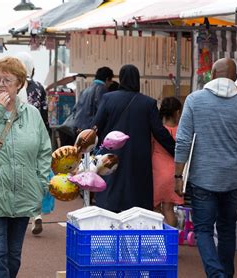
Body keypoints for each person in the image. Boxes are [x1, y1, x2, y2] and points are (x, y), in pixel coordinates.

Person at [0, 56, 51, 277]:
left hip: (23, 194)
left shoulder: (32, 114)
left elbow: (44, 150)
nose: (1, 84)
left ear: (20, 84)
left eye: (7, 80)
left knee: (14, 255)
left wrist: (41, 182)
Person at [174, 58, 237, 277]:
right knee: (227, 229)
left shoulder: (194, 100)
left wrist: (178, 175)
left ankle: (215, 273)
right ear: (235, 78)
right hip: (233, 180)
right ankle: (224, 274)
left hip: (202, 179)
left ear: (211, 75)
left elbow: (183, 141)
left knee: (204, 229)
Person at [92, 64, 175, 212]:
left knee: (111, 192)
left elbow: (95, 127)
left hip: (111, 156)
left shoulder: (108, 99)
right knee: (136, 195)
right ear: (137, 80)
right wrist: (176, 150)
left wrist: (91, 149)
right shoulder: (148, 103)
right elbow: (159, 131)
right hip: (138, 157)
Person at [15, 51, 49, 235]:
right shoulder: (38, 87)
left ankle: (19, 211)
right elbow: (44, 115)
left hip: (17, 137)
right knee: (36, 175)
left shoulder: (12, 85)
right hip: (36, 135)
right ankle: (37, 215)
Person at [152, 97, 183, 227]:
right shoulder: (181, 131)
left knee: (155, 209)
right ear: (177, 112)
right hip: (174, 173)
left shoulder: (156, 131)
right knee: (169, 209)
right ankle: (172, 239)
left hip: (157, 172)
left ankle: (159, 238)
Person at [74, 67, 114, 131]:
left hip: (78, 127)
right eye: (111, 80)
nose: (111, 83)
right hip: (89, 128)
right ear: (107, 79)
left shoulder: (85, 90)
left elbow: (75, 108)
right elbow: (102, 111)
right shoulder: (102, 89)